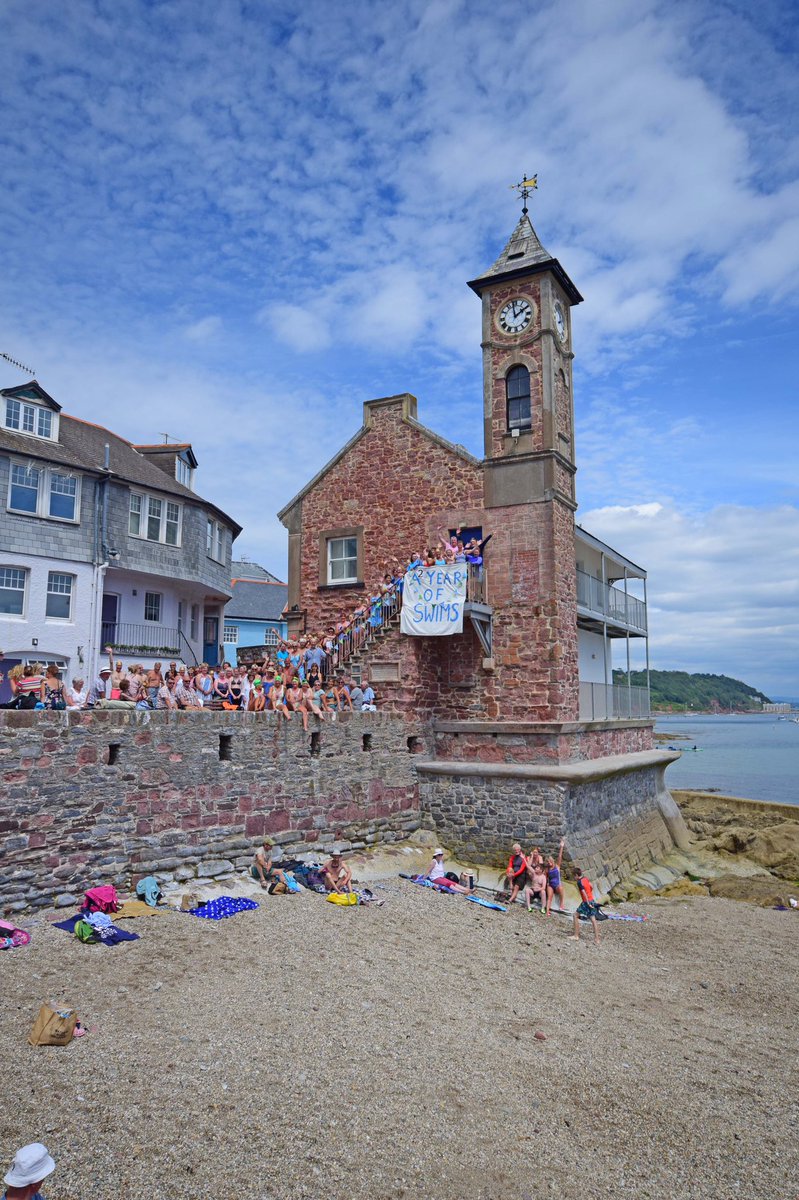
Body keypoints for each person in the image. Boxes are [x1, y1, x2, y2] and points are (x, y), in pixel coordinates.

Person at [568, 866, 602, 945]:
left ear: (576, 875)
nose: (574, 878)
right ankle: (597, 939)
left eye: (574, 876)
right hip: (591, 900)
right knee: (593, 919)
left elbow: (583, 892)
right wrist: (590, 896)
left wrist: (587, 902)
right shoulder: (585, 879)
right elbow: (591, 886)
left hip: (586, 902)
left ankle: (576, 936)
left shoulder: (579, 882)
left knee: (575, 915)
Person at [545, 839, 566, 916]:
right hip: (550, 885)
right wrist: (546, 884)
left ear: (552, 861)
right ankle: (547, 911)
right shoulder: (547, 869)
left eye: (550, 861)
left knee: (560, 888)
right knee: (549, 897)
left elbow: (560, 856)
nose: (549, 863)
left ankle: (561, 904)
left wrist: (561, 847)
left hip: (557, 884)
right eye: (548, 862)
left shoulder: (557, 866)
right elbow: (546, 877)